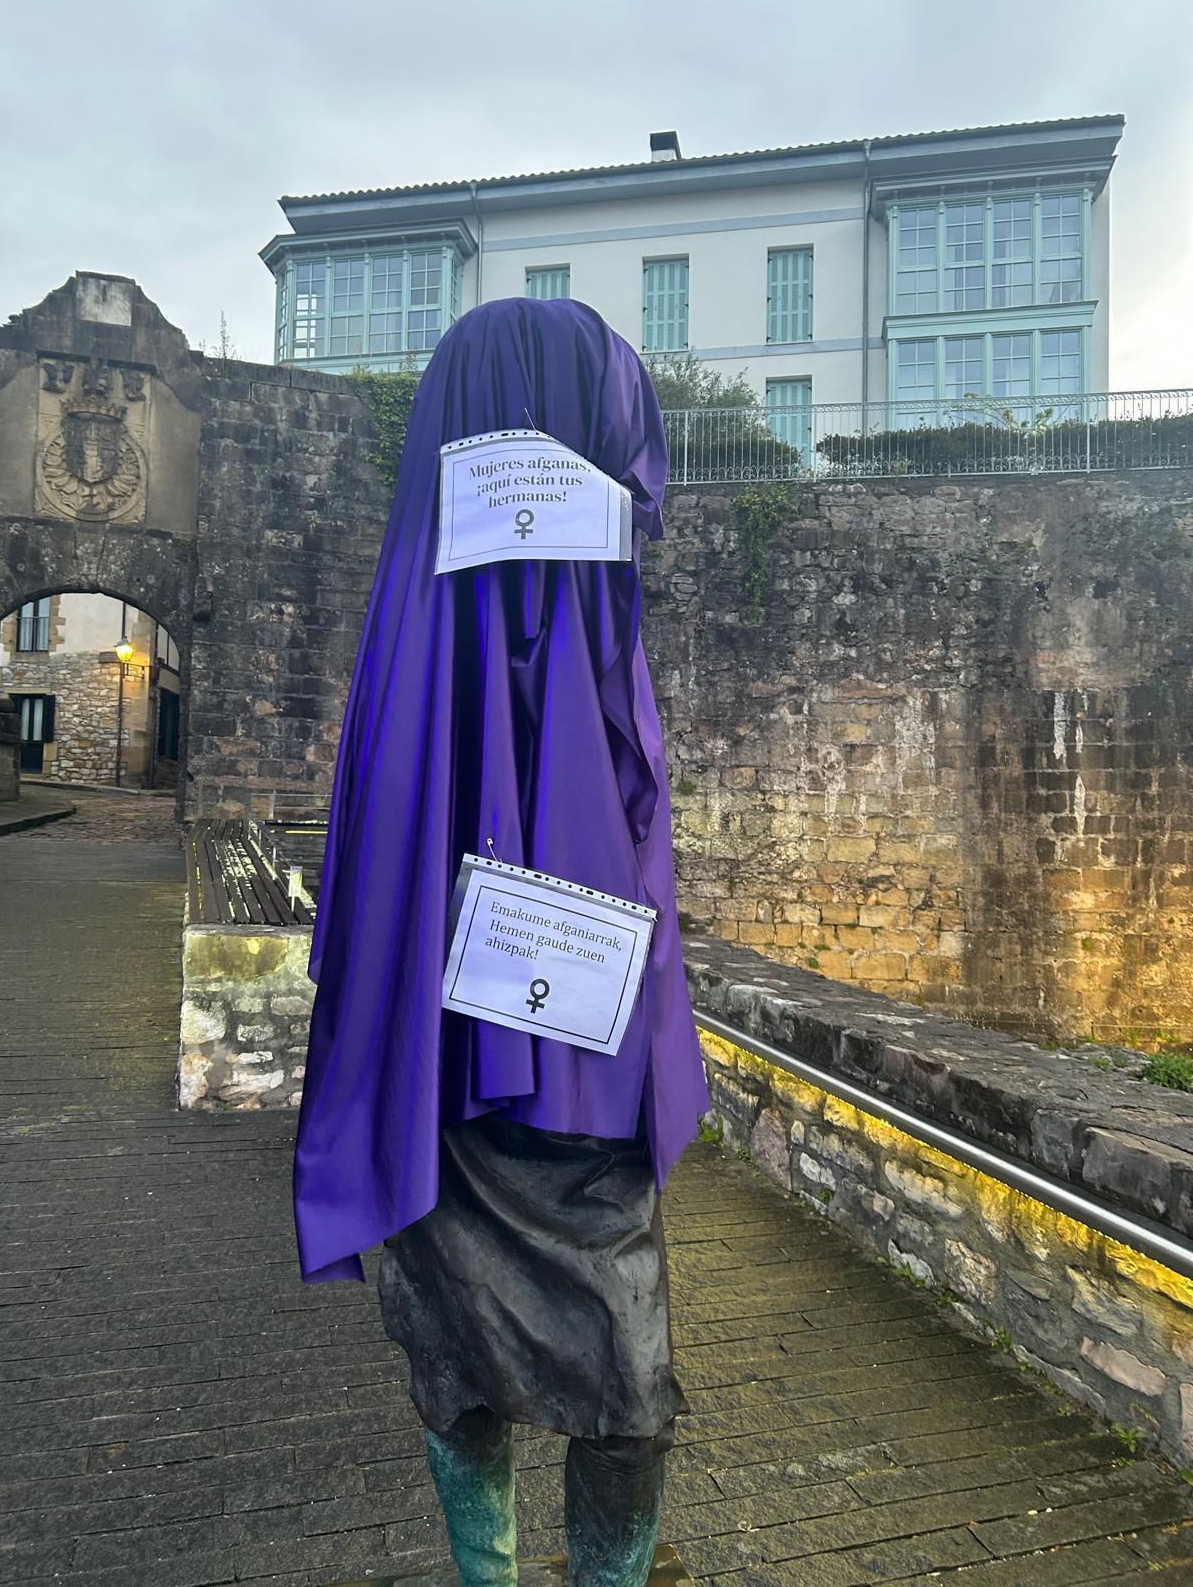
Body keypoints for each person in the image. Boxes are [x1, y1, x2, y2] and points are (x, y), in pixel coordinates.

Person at [294, 296, 709, 1585]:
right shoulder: (478, 617)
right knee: (457, 1351)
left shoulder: (452, 617)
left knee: (629, 1385)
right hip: (487, 1049)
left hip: (491, 1036)